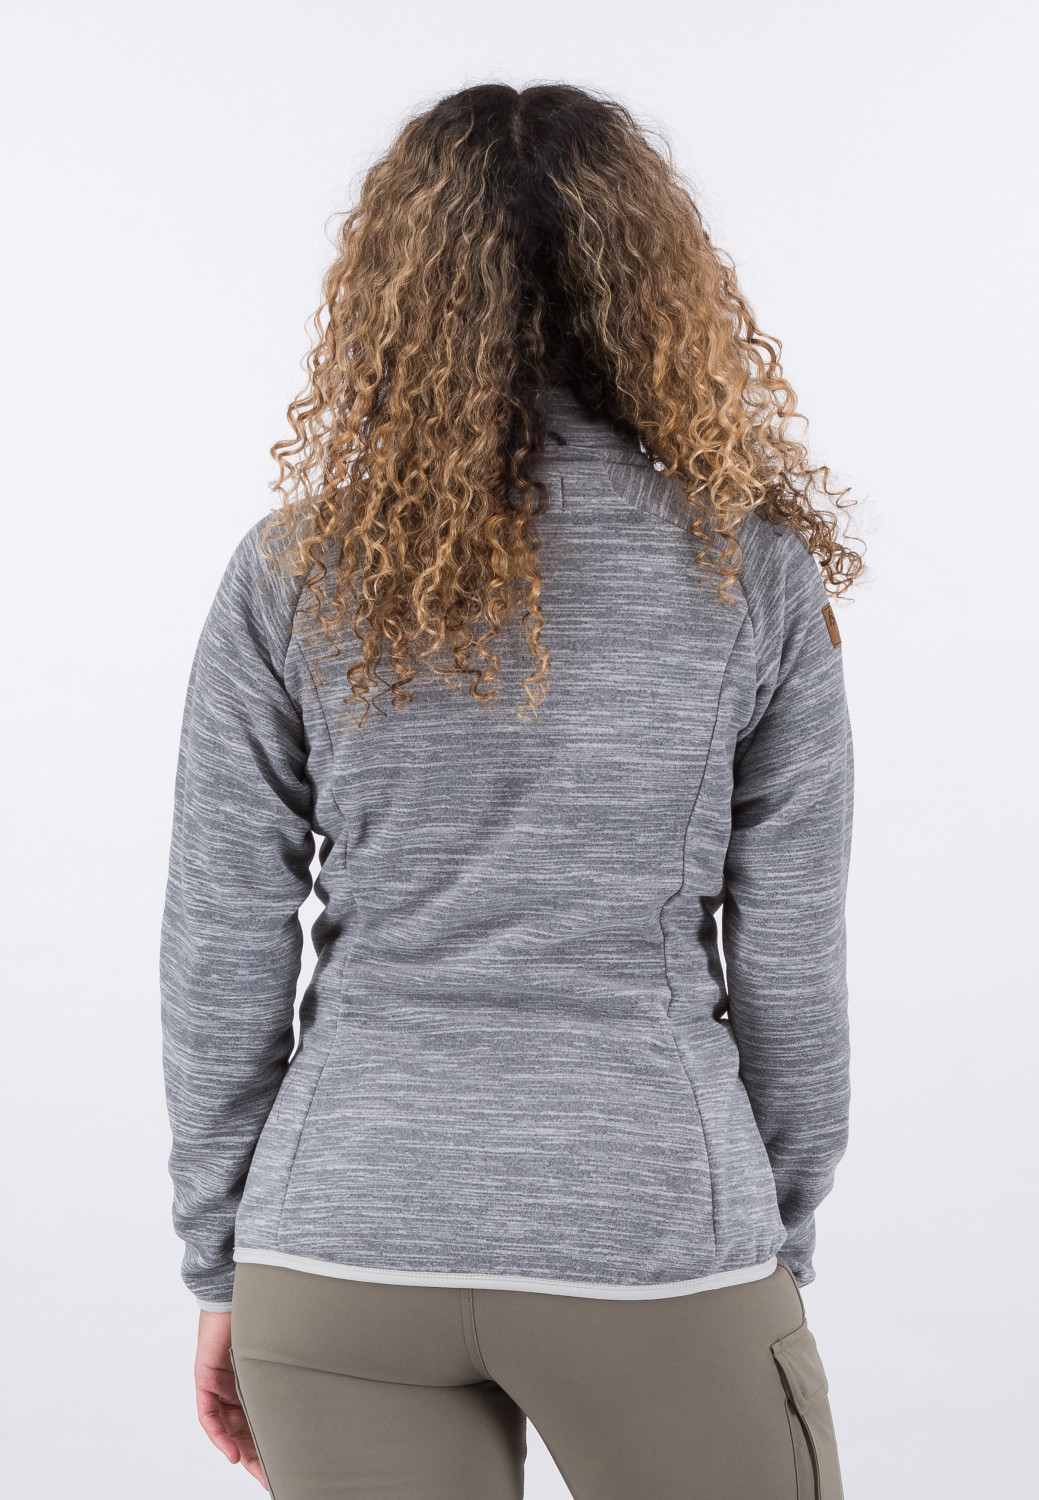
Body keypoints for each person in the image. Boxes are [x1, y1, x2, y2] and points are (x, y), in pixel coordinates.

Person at [160, 81, 861, 1500]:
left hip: (339, 1245)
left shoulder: (291, 570)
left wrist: (227, 1260)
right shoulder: (749, 575)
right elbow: (793, 963)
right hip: (652, 1231)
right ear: (654, 294)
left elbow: (218, 950)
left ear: (391, 300)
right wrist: (761, 1238)